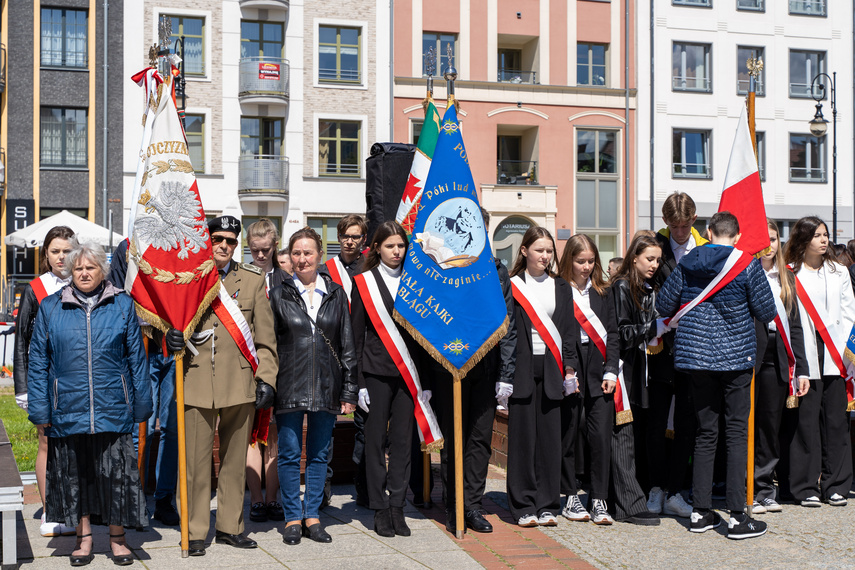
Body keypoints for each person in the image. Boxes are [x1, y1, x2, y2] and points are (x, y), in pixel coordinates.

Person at [27, 242, 151, 566]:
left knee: (116, 477)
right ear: (70, 272)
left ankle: (118, 539)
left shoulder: (123, 305)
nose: (84, 273)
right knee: (76, 478)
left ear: (102, 271)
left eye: (90, 267)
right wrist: (40, 408)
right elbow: (38, 360)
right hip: (67, 408)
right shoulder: (51, 307)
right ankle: (83, 540)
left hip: (113, 407)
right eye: (78, 268)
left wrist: (141, 403)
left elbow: (137, 360)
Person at [163, 215, 279, 556]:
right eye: (217, 240)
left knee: (233, 462)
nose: (224, 246)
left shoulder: (253, 280)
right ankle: (195, 530)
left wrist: (267, 379)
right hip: (194, 380)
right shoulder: (187, 278)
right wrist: (165, 337)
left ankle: (230, 527)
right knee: (196, 464)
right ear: (206, 240)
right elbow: (163, 324)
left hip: (239, 381)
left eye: (230, 241)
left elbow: (265, 339)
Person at [657, 211, 776, 539]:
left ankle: (700, 512)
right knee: (736, 433)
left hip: (696, 360)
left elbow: (664, 305)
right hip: (736, 359)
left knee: (705, 434)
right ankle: (737, 517)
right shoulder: (747, 263)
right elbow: (767, 311)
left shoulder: (689, 260)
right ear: (737, 237)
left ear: (708, 231)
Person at [269, 226, 357, 545]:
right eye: (296, 253)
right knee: (290, 454)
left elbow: (347, 345)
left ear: (320, 256)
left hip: (326, 386)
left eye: (308, 252)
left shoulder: (335, 293)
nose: (302, 259)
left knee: (320, 455)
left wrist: (348, 390)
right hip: (288, 385)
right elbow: (269, 343)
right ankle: (292, 518)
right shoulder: (278, 294)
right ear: (289, 258)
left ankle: (313, 516)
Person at [434, 209, 516, 534]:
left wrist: (506, 375)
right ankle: (453, 503)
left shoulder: (497, 271)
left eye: (479, 227)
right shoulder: (441, 270)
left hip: (486, 367)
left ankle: (472, 505)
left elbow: (507, 326)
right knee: (454, 436)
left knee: (479, 439)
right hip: (451, 368)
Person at [351, 221, 428, 537]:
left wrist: (427, 383)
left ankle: (398, 505)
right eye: (390, 246)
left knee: (402, 442)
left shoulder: (417, 282)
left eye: (401, 246)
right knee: (374, 442)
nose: (397, 251)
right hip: (375, 373)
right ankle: (379, 508)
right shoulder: (364, 283)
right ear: (377, 249)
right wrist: (358, 383)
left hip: (409, 373)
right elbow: (355, 336)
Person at [506, 227, 580, 527]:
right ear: (524, 251)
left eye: (550, 250)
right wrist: (504, 374)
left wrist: (571, 368)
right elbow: (507, 331)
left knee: (550, 439)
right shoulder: (511, 286)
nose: (545, 256)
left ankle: (548, 503)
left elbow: (569, 331)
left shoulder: (560, 286)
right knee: (523, 440)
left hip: (552, 368)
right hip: (522, 368)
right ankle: (522, 504)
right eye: (539, 250)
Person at [781, 216, 855, 508]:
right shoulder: (790, 273)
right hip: (806, 353)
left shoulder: (839, 271)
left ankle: (836, 484)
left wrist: (847, 350)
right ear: (803, 239)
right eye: (817, 235)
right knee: (806, 422)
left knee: (836, 422)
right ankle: (806, 486)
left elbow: (850, 310)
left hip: (837, 354)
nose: (824, 240)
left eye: (825, 235)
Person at [645, 192, 706, 518]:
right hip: (660, 348)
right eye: (674, 226)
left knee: (686, 423)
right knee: (656, 422)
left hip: (695, 347)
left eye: (685, 226)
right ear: (666, 222)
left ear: (693, 221)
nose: (680, 232)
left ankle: (676, 490)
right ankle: (655, 487)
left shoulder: (705, 248)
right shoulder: (655, 245)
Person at [13, 225, 76, 538]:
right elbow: (22, 341)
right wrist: (23, 388)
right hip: (44, 379)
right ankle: (51, 510)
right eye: (55, 251)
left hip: (78, 379)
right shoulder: (36, 288)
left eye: (66, 250)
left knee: (76, 444)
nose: (61, 257)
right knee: (47, 443)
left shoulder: (87, 283)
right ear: (46, 255)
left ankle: (75, 508)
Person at [557, 234, 618, 525]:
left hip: (599, 362)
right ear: (569, 260)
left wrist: (611, 370)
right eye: (581, 261)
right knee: (570, 431)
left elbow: (614, 333)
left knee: (600, 436)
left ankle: (599, 499)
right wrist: (568, 368)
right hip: (570, 363)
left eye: (591, 261)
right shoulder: (558, 289)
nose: (586, 267)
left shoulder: (604, 291)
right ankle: (570, 495)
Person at [752, 219, 810, 514]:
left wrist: (801, 368)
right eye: (763, 239)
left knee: (770, 425)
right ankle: (743, 486)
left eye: (773, 239)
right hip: (750, 356)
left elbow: (796, 327)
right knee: (745, 423)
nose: (769, 245)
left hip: (779, 355)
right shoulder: (745, 274)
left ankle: (764, 488)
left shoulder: (786, 279)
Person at [608, 231, 664, 526]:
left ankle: (632, 495)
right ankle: (628, 502)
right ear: (634, 257)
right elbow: (622, 332)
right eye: (649, 259)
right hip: (623, 370)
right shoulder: (621, 286)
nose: (654, 264)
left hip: (641, 371)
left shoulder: (647, 286)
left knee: (636, 434)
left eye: (657, 259)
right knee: (624, 435)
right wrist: (656, 327)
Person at [244, 219, 289, 524]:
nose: (260, 256)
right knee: (251, 434)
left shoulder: (287, 280)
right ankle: (256, 500)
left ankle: (273, 499)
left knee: (273, 435)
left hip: (282, 365)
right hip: (247, 366)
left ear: (275, 245)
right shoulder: (240, 278)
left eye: (265, 250)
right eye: (255, 250)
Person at [323, 214, 369, 506]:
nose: (350, 241)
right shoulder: (325, 271)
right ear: (338, 238)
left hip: (365, 356)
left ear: (364, 239)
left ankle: (365, 485)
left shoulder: (372, 268)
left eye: (355, 236)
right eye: (345, 236)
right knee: (325, 425)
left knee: (366, 423)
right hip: (332, 354)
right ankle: (322, 491)